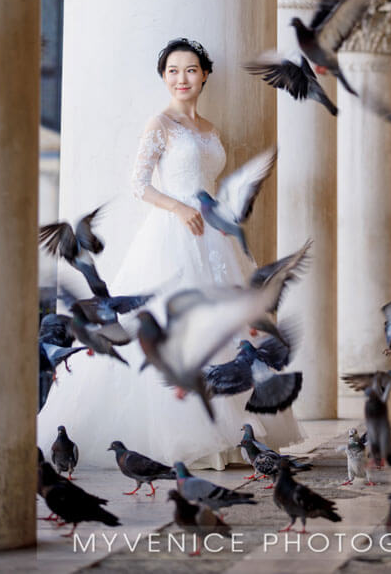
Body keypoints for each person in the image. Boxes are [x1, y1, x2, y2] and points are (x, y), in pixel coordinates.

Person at [38, 38, 305, 469]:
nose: (182, 78)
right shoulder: (159, 124)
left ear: (204, 75)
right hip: (173, 235)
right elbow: (138, 183)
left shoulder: (211, 129)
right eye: (173, 71)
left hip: (214, 238)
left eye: (191, 70)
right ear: (164, 78)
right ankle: (189, 436)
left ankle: (237, 434)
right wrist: (179, 208)